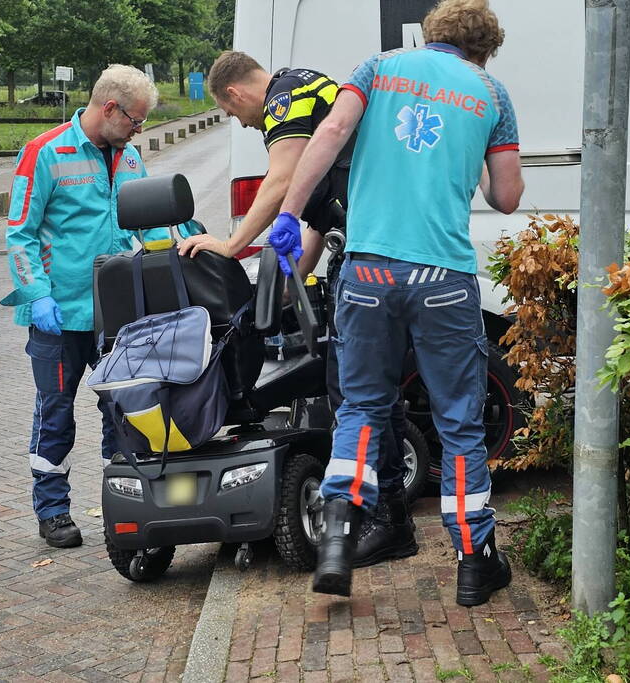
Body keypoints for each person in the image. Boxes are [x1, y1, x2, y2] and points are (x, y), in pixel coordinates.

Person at [273, 0, 525, 606]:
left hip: (368, 272)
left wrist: (287, 213)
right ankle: (474, 561)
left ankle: (337, 538)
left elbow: (331, 134)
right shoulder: (491, 93)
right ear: (484, 47)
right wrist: (477, 169)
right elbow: (508, 196)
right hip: (443, 278)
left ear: (429, 34)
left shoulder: (376, 67)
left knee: (360, 405)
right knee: (460, 420)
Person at [182, 51, 417, 567]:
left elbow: (283, 182)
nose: (238, 122)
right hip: (374, 248)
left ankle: (388, 519)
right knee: (357, 386)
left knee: (353, 389)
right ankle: (388, 513)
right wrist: (289, 287)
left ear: (234, 94)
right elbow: (313, 216)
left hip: (377, 258)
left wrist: (232, 243)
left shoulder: (285, 97)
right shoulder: (309, 92)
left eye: (230, 113)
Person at [0, 64, 159, 549]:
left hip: (118, 317)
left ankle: (126, 505)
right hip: (60, 317)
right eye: (135, 120)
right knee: (56, 415)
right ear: (109, 109)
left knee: (126, 413)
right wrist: (38, 295)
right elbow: (20, 233)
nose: (138, 131)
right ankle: (53, 512)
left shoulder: (129, 158)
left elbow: (149, 225)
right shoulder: (46, 153)